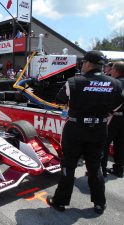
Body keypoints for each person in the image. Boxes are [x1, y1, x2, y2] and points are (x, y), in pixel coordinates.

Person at [46, 50, 124, 215]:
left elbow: (59, 100)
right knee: (95, 165)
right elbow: (119, 104)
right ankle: (99, 204)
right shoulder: (115, 84)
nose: (82, 66)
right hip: (100, 130)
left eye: (83, 63)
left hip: (75, 129)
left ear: (88, 64)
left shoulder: (74, 81)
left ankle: (60, 202)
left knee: (68, 164)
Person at [101, 61, 124, 178]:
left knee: (104, 144)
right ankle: (119, 169)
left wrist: (109, 111)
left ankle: (102, 170)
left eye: (112, 69)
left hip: (114, 118)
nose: (110, 70)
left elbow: (120, 97)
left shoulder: (117, 83)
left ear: (115, 70)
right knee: (120, 145)